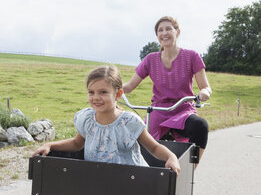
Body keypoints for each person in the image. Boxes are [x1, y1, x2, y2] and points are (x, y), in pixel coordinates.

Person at [33, 65, 181, 174]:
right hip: (97, 178)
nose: (96, 97)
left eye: (103, 92)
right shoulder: (87, 120)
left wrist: (171, 156)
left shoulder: (129, 122)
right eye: (91, 92)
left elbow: (153, 147)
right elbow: (76, 143)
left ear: (118, 94)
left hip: (132, 179)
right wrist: (51, 145)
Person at [123, 16, 212, 162]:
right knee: (137, 137)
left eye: (168, 28)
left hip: (183, 110)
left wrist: (204, 93)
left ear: (178, 32)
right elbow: (129, 86)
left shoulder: (192, 56)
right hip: (158, 111)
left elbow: (205, 87)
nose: (164, 33)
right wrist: (112, 87)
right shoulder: (150, 59)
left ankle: (189, 170)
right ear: (157, 36)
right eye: (160, 30)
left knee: (200, 126)